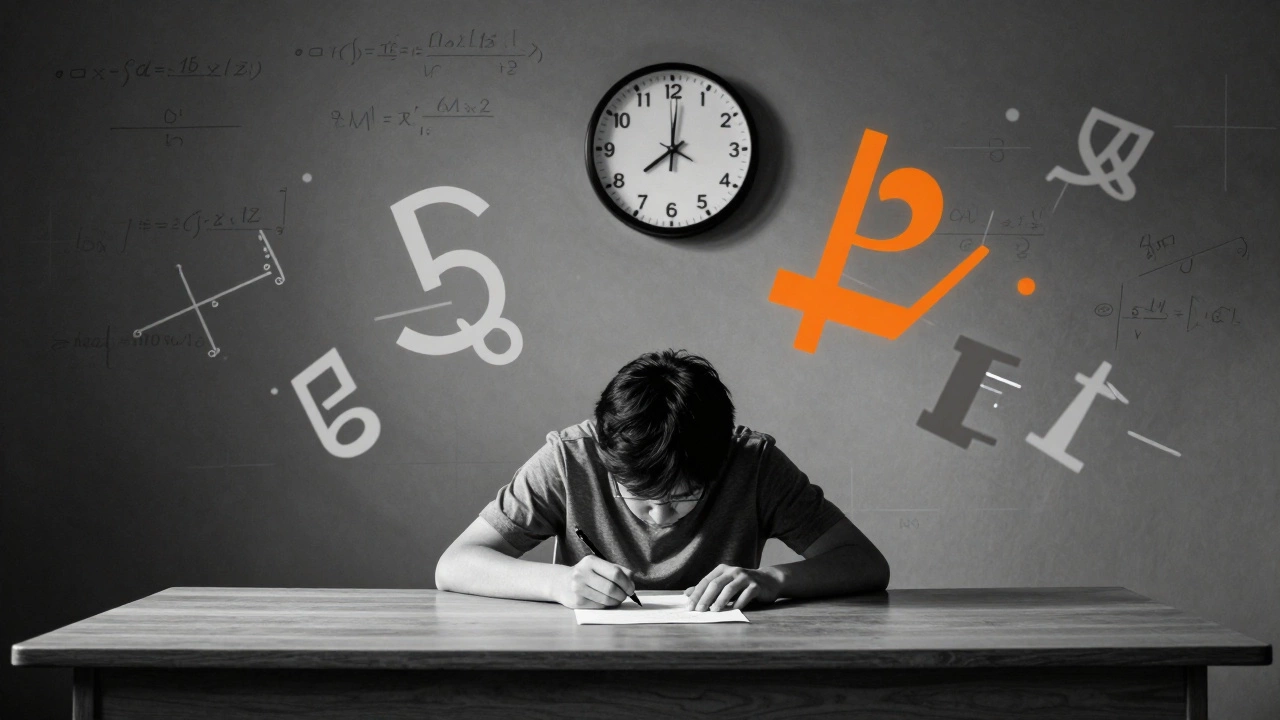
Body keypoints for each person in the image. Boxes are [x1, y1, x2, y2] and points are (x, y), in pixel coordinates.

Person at [435, 349, 890, 611]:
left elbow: (865, 563)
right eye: (638, 496)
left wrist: (773, 579)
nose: (659, 515)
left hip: (726, 667)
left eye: (682, 496)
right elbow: (454, 564)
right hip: (590, 666)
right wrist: (557, 584)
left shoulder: (754, 464)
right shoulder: (570, 458)